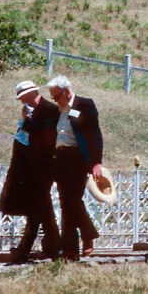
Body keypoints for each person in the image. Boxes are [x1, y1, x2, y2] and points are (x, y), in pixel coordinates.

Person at [0, 80, 60, 263]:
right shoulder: (31, 112)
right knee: (39, 208)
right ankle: (45, 246)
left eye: (26, 97)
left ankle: (43, 247)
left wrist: (27, 120)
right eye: (22, 99)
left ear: (35, 93)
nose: (24, 102)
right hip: (27, 168)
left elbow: (44, 136)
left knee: (41, 206)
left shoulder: (49, 110)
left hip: (42, 167)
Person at [47, 75, 104, 259]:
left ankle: (74, 245)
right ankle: (75, 244)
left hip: (78, 158)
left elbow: (94, 134)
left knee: (73, 200)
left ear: (66, 91)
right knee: (67, 202)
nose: (54, 100)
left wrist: (96, 162)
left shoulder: (84, 105)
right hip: (60, 158)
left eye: (56, 96)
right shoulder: (56, 110)